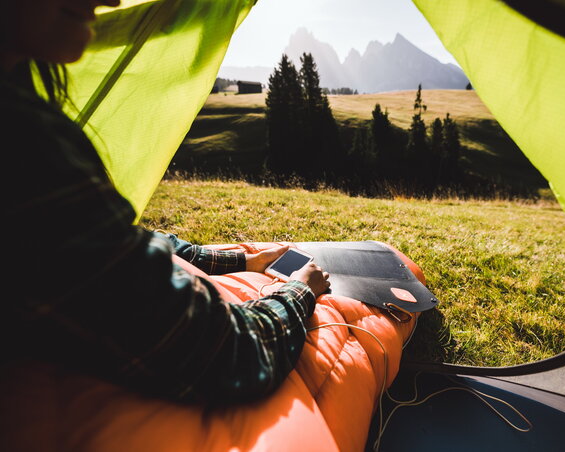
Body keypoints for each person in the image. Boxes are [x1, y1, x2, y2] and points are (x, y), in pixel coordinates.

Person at [1, 0, 330, 406]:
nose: (110, 2)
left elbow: (113, 245)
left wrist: (242, 261)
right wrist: (301, 291)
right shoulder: (23, 154)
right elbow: (227, 356)